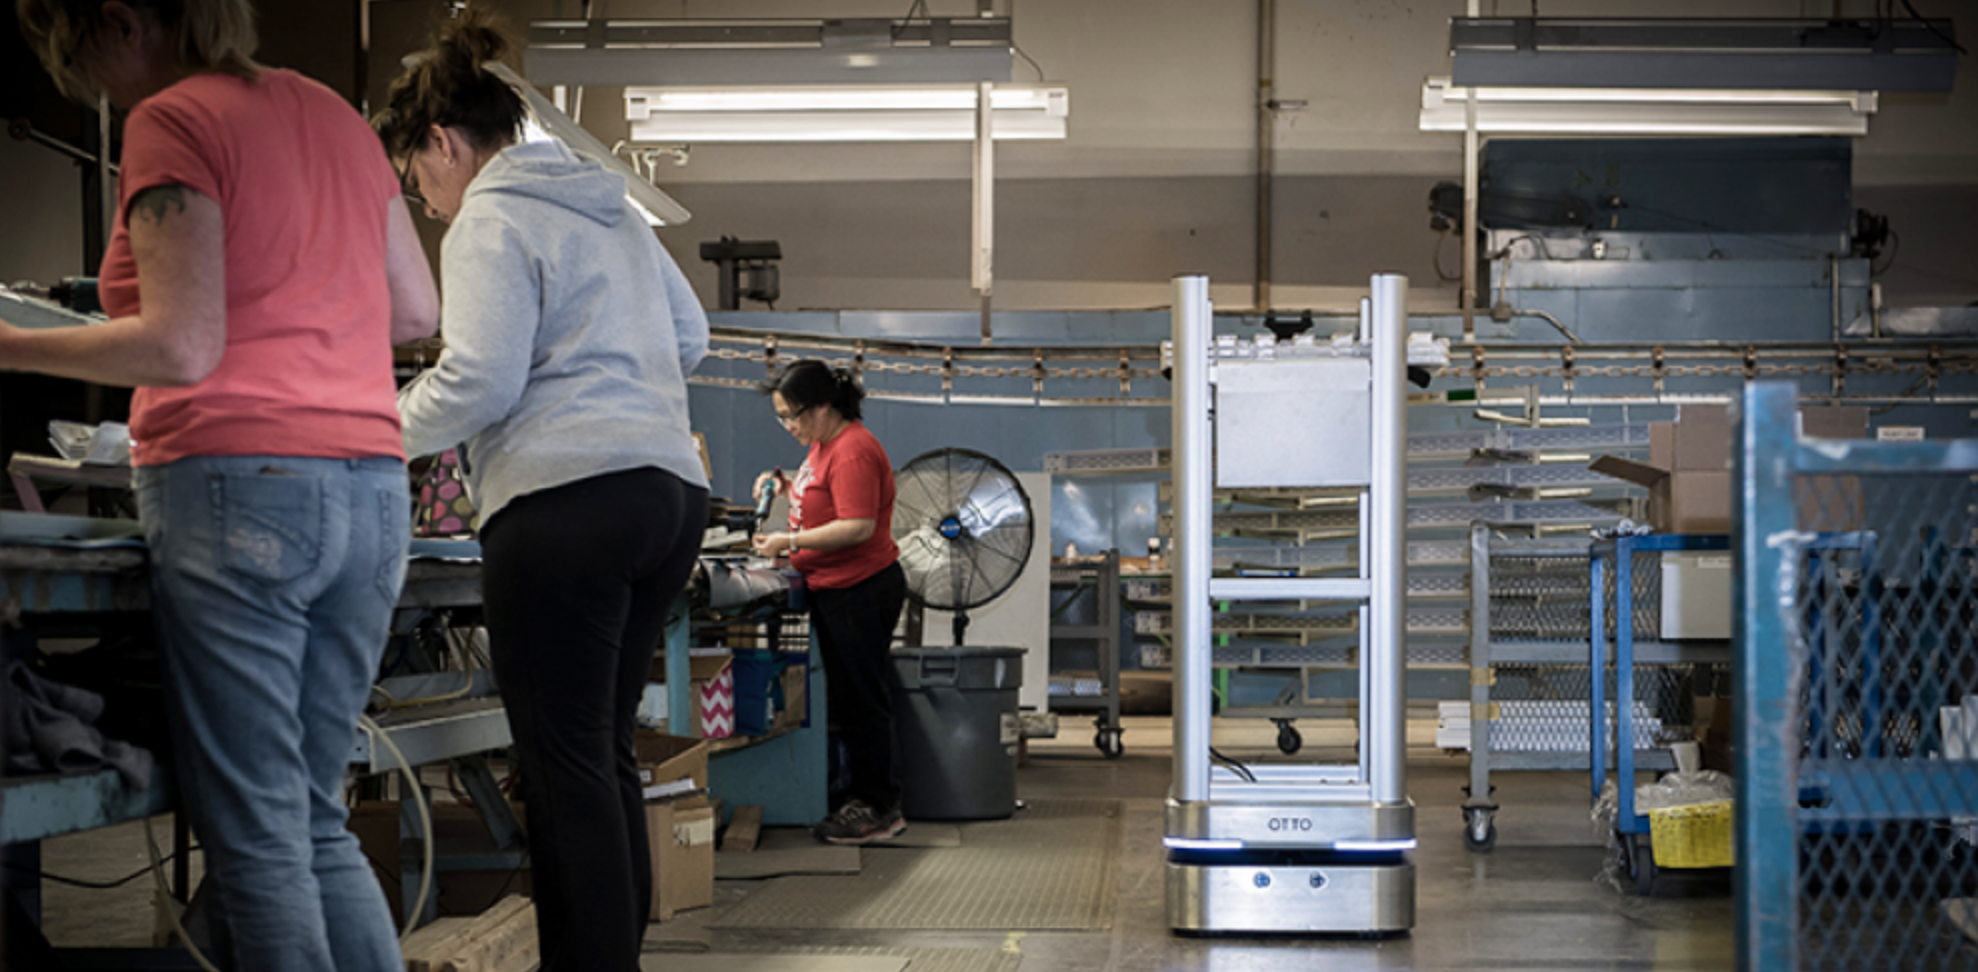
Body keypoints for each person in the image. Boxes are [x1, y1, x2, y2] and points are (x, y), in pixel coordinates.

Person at [2, 1, 439, 968]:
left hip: (244, 482)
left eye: (78, 55)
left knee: (260, 836)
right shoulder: (333, 114)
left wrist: (13, 344)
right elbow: (415, 308)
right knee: (312, 816)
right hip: (371, 485)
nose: (90, 85)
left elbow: (181, 346)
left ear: (121, 22)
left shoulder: (174, 117)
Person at [373, 12, 710, 971]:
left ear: (443, 142)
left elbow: (478, 382)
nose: (428, 204)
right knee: (599, 754)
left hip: (566, 504)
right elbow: (691, 339)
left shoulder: (491, 215)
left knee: (563, 765)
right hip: (666, 498)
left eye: (417, 180)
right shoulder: (611, 206)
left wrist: (364, 428)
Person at [752, 360, 908, 845]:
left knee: (862, 700)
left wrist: (789, 542)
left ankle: (879, 806)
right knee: (846, 697)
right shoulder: (822, 446)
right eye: (781, 417)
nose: (788, 426)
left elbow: (857, 526)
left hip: (859, 589)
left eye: (792, 416)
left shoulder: (853, 450)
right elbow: (825, 498)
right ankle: (856, 794)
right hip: (833, 588)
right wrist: (784, 487)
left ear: (823, 407)